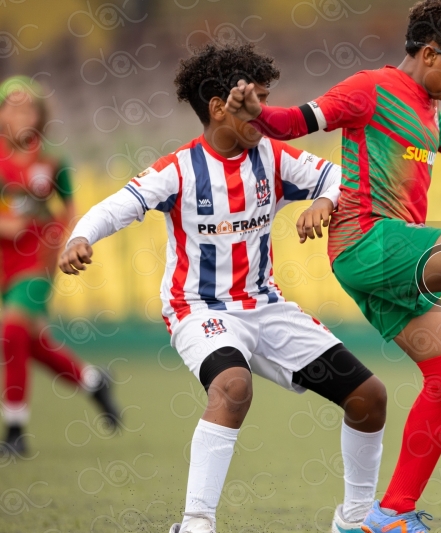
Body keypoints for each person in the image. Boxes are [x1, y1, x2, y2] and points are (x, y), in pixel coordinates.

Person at [224, 0, 441, 530]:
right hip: (368, 240)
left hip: (380, 261)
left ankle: (389, 515)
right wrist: (256, 113)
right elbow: (294, 122)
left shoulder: (426, 109)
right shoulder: (370, 88)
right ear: (430, 54)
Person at [58, 43, 386, 533]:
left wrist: (325, 200)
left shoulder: (272, 156)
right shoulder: (179, 169)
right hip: (197, 309)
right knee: (233, 386)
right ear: (218, 107)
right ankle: (195, 522)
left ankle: (357, 518)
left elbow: (341, 175)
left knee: (369, 397)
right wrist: (81, 236)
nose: (266, 113)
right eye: (256, 102)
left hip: (266, 306)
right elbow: (116, 205)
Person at [0, 76, 120, 457]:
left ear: (40, 115)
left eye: (28, 107)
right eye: (12, 105)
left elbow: (68, 210)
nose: (21, 114)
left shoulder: (51, 162)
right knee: (27, 340)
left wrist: (57, 241)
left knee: (12, 330)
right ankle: (93, 380)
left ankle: (15, 431)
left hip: (35, 263)